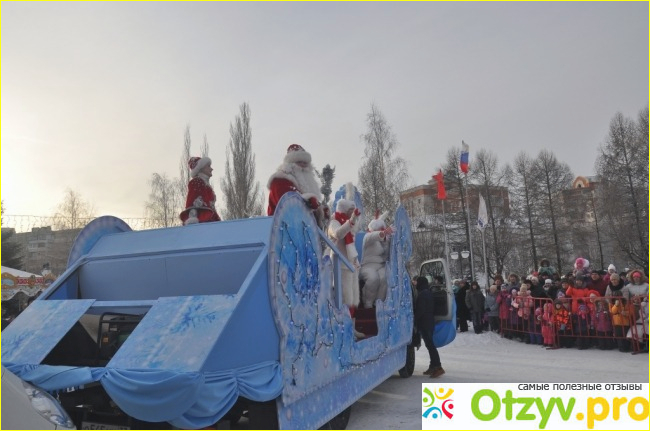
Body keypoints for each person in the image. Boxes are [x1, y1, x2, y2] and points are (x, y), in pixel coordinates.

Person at [328, 197, 364, 339]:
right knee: (345, 300)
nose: (351, 213)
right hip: (340, 266)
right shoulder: (334, 222)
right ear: (344, 210)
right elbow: (338, 234)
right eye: (350, 211)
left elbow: (353, 229)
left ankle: (352, 328)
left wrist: (354, 219)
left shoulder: (348, 222)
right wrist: (351, 221)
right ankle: (344, 330)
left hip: (351, 265)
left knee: (353, 300)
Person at [267, 144, 327, 226]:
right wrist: (308, 201)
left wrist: (321, 212)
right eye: (299, 162)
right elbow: (289, 203)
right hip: (282, 231)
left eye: (305, 163)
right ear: (289, 164)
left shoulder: (303, 186)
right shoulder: (280, 180)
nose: (302, 165)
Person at [360, 212, 393, 308]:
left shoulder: (383, 242)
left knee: (384, 277)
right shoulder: (367, 237)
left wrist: (386, 242)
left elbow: (386, 256)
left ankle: (378, 302)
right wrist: (382, 234)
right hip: (367, 266)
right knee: (373, 278)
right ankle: (368, 302)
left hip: (380, 265)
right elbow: (373, 236)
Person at [414, 276, 445, 378]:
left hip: (425, 322)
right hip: (429, 321)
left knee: (430, 345)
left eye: (417, 282)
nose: (416, 284)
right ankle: (432, 366)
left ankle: (438, 367)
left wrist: (414, 318)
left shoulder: (423, 294)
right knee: (429, 345)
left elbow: (421, 309)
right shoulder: (428, 292)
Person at [179, 156, 222, 225]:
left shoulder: (205, 184)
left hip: (210, 220)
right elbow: (192, 201)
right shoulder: (197, 182)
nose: (211, 169)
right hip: (203, 220)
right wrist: (193, 219)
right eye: (208, 166)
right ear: (201, 168)